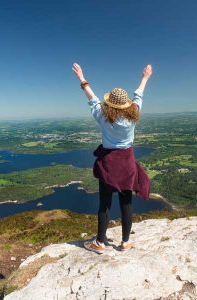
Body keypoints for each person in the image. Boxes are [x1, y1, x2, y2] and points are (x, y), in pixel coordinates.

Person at [72, 63, 153, 254]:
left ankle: (99, 243)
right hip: (127, 163)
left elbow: (92, 99)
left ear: (109, 104)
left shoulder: (103, 116)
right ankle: (125, 242)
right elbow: (139, 95)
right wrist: (145, 77)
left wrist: (82, 78)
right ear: (125, 104)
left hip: (108, 163)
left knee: (105, 204)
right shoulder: (134, 115)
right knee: (126, 203)